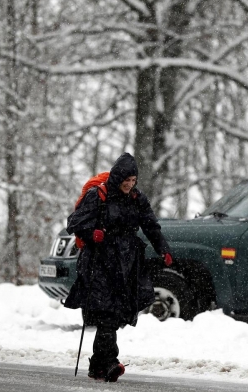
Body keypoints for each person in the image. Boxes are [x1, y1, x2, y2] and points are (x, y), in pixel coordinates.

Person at [65, 153, 172, 382]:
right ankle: (112, 362)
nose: (130, 184)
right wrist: (92, 233)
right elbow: (73, 223)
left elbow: (151, 226)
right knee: (106, 312)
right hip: (99, 262)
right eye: (127, 179)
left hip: (126, 263)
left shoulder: (137, 199)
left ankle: (97, 366)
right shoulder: (98, 196)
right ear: (118, 177)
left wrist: (165, 250)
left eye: (134, 180)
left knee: (115, 312)